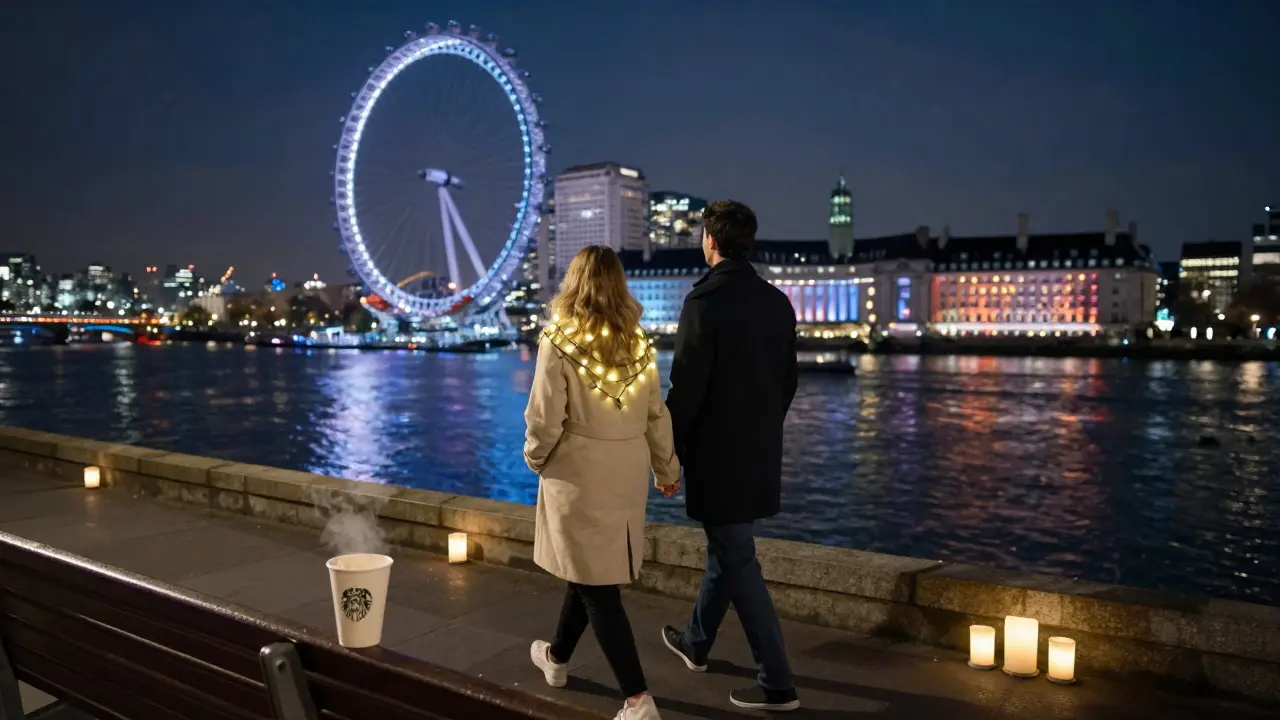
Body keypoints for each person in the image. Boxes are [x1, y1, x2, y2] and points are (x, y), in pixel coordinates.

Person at [524, 245, 681, 720]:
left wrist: (535, 459)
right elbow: (657, 414)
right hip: (626, 471)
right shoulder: (639, 343)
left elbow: (544, 418)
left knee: (597, 586)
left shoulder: (560, 339)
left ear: (575, 282)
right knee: (588, 572)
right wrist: (666, 469)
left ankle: (638, 699)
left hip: (579, 472)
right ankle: (556, 658)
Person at [659, 200, 801, 712]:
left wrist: (667, 454)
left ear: (711, 241)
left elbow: (686, 388)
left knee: (739, 558)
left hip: (717, 457)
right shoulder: (777, 302)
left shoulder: (705, 301)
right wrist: (760, 429)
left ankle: (778, 683)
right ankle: (696, 643)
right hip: (759, 452)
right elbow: (788, 381)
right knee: (727, 549)